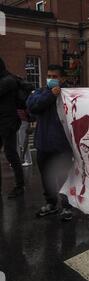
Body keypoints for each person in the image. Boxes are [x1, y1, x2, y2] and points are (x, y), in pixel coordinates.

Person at [27, 64, 73, 221]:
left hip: (62, 145)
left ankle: (67, 206)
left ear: (63, 78)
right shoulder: (42, 92)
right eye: (49, 76)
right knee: (46, 176)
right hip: (43, 144)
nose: (51, 79)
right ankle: (51, 203)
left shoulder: (69, 95)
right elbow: (32, 107)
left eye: (55, 77)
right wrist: (50, 95)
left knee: (63, 177)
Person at [0, 57, 25, 199]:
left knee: (11, 154)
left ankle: (20, 185)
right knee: (10, 153)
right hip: (3, 120)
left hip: (8, 122)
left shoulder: (8, 81)